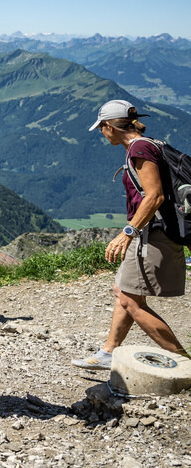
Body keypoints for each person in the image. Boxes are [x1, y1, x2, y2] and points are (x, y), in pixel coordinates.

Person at [71, 100, 189, 370]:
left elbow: (155, 196)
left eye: (101, 128)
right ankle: (109, 352)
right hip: (150, 232)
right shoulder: (149, 144)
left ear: (109, 126)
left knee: (129, 300)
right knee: (122, 291)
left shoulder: (139, 149)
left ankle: (185, 364)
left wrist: (127, 232)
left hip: (153, 235)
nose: (102, 134)